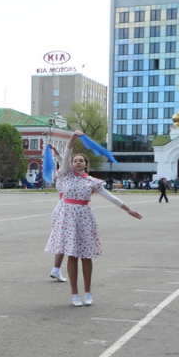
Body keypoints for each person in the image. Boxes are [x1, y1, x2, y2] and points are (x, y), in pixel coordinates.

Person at [44, 131, 142, 307]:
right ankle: (75, 294)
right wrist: (72, 138)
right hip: (68, 219)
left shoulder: (92, 182)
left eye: (81, 160)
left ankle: (88, 291)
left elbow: (110, 196)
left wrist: (128, 209)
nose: (78, 162)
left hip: (84, 218)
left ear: (86, 165)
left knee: (87, 257)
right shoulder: (65, 174)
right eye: (75, 160)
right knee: (72, 256)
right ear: (71, 164)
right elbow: (65, 156)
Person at [47, 145, 68, 283]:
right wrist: (58, 154)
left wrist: (56, 152)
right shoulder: (65, 174)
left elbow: (63, 161)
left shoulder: (63, 174)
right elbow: (64, 162)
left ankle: (56, 269)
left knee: (63, 240)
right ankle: (57, 269)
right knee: (66, 240)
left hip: (61, 208)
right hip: (68, 209)